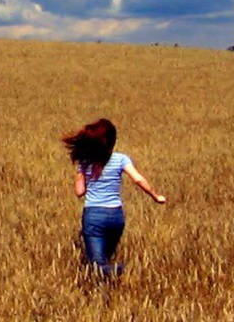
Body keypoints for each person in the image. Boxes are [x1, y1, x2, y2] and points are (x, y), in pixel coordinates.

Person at [63, 118, 165, 279]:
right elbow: (137, 179)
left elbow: (79, 191)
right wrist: (156, 196)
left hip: (94, 216)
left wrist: (82, 175)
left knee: (97, 266)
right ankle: (105, 294)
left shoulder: (84, 161)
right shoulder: (121, 159)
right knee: (104, 261)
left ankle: (122, 270)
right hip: (116, 217)